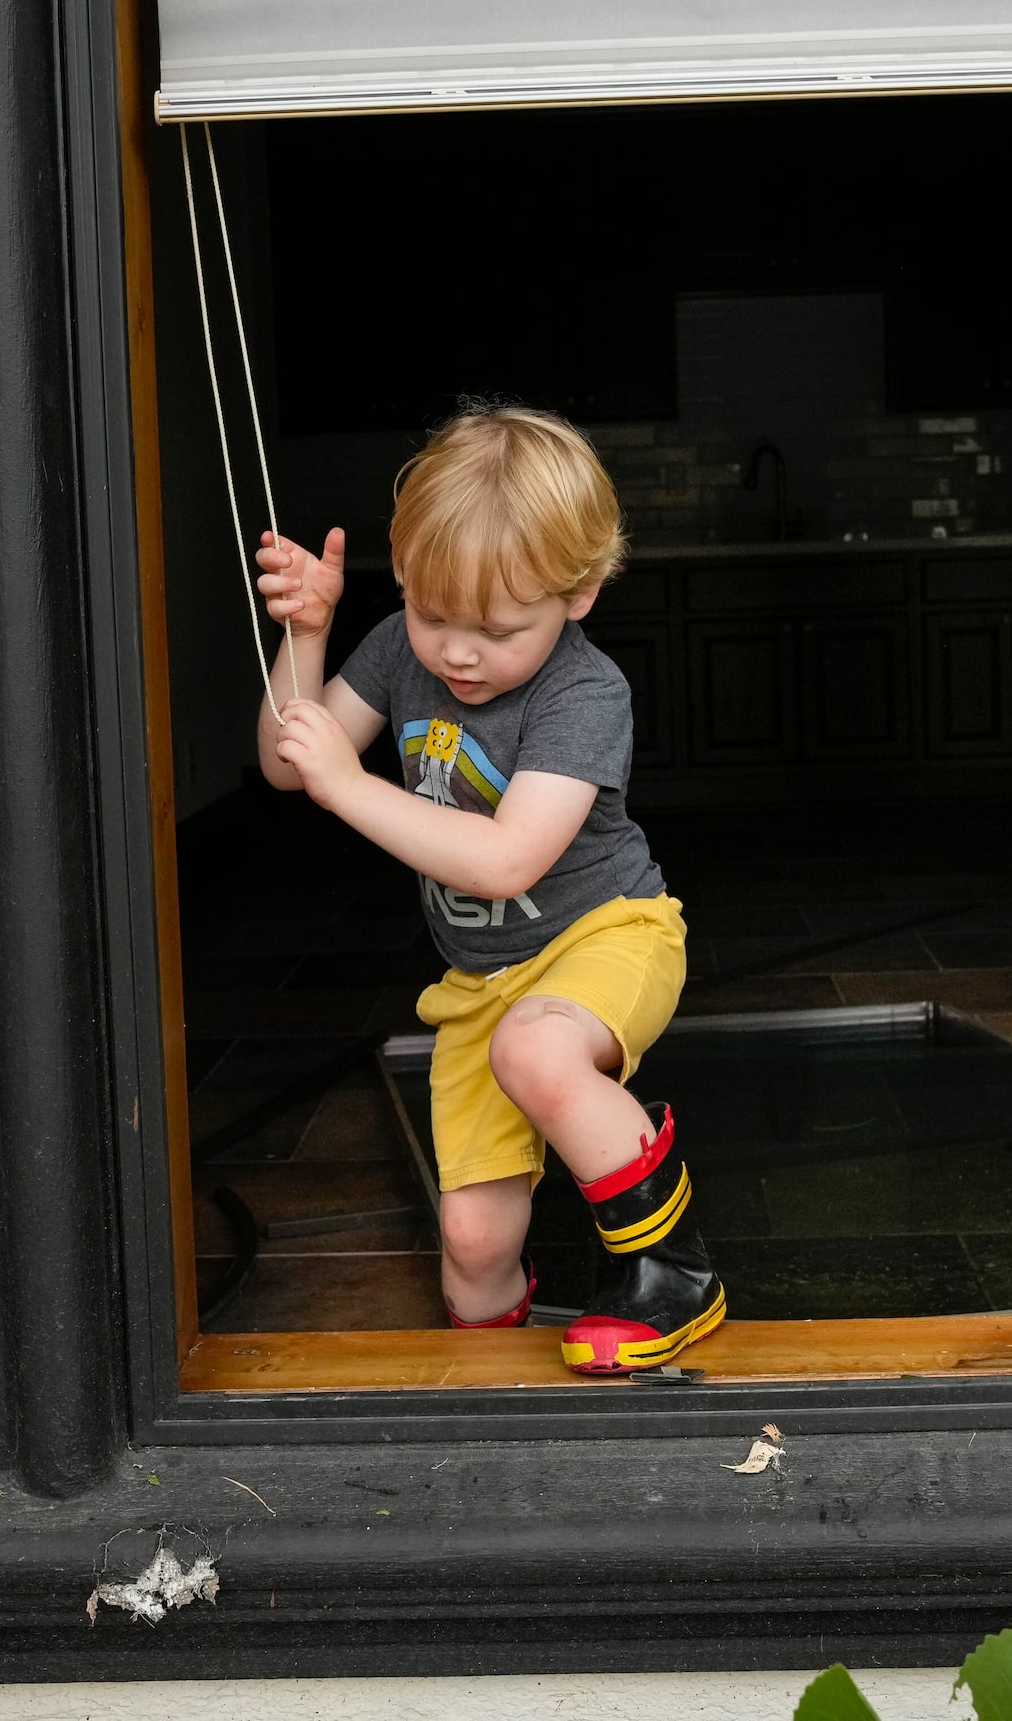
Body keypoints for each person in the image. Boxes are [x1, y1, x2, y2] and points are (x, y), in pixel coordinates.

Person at [250, 405, 724, 1374]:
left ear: (580, 593)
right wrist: (309, 632)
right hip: (481, 982)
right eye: (432, 616)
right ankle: (497, 1388)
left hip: (607, 934)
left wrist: (352, 783)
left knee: (540, 1046)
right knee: (470, 1250)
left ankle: (673, 1275)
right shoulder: (395, 648)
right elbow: (290, 764)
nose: (458, 653)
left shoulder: (582, 696)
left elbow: (509, 860)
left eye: (497, 629)